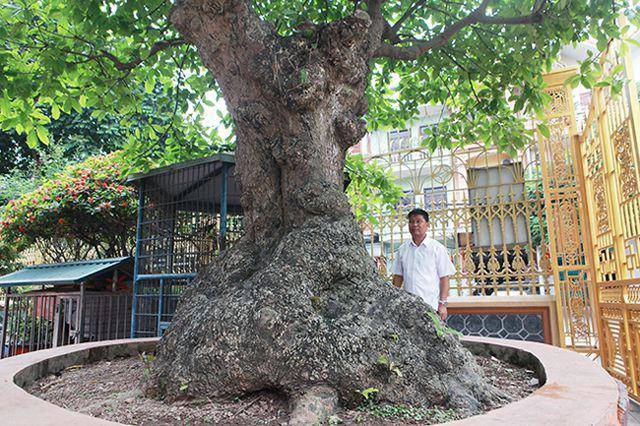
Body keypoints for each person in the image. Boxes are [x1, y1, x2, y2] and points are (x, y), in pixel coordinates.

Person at [392, 208, 456, 320]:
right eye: (411, 222)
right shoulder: (402, 250)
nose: (414, 225)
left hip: (431, 306)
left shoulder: (437, 248)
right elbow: (398, 277)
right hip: (408, 307)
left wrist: (442, 304)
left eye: (418, 221)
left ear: (427, 224)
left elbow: (444, 278)